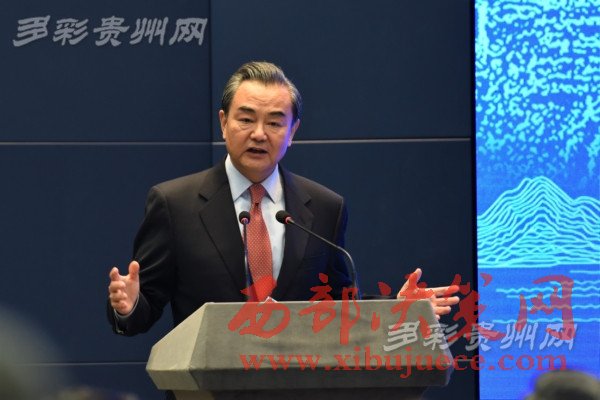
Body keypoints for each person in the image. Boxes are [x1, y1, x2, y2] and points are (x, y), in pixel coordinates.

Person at [107, 61, 458, 336]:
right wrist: (130, 304)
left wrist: (397, 308)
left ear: (293, 132)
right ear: (224, 122)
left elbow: (341, 305)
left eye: (275, 123)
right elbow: (144, 308)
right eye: (246, 119)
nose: (259, 134)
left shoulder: (324, 207)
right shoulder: (175, 203)